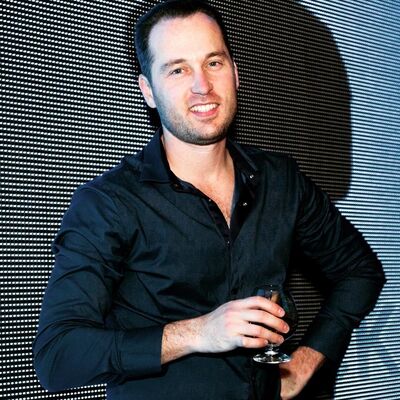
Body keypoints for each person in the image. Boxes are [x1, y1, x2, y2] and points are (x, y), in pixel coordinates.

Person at [33, 1, 385, 399]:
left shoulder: (281, 181)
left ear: (235, 72)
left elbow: (360, 272)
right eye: (178, 69)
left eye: (213, 63)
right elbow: (57, 356)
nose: (202, 85)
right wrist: (199, 332)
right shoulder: (109, 203)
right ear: (148, 91)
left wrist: (306, 361)